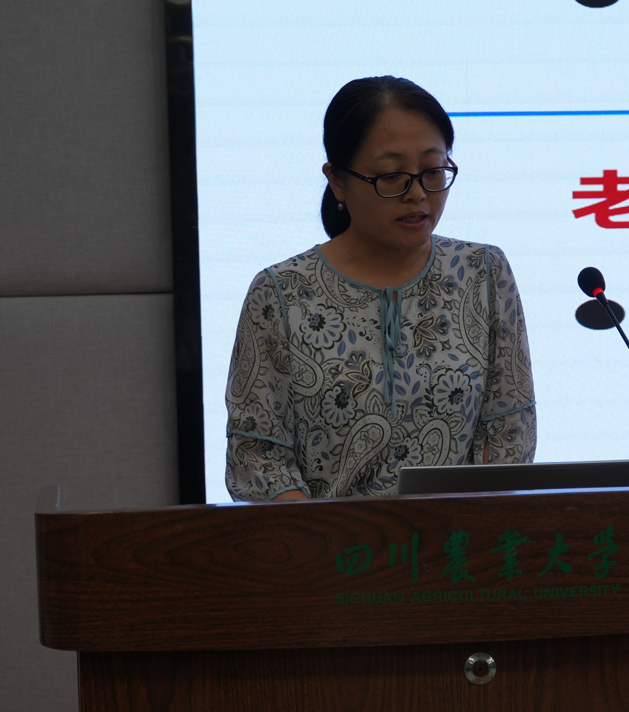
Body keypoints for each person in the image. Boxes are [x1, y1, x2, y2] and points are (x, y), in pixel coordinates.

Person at [223, 76, 536, 501]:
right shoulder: (280, 292)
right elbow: (257, 455)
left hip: (458, 537)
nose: (418, 194)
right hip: (325, 539)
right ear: (338, 180)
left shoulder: (484, 272)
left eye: (433, 171)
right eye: (391, 176)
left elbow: (510, 432)